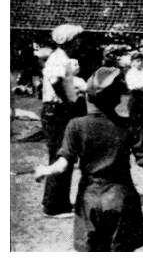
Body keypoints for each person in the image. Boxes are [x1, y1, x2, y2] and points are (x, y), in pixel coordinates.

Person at [34, 66, 143, 251]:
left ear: (89, 96)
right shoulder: (128, 125)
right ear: (116, 98)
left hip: (89, 199)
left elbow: (62, 165)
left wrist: (45, 170)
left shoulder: (76, 126)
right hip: (121, 197)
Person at [41, 24, 83, 217]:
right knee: (61, 154)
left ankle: (58, 201)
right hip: (56, 111)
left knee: (65, 154)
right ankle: (54, 206)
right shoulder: (59, 58)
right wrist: (67, 102)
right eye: (77, 39)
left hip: (58, 110)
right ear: (70, 41)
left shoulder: (62, 58)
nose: (79, 42)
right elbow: (56, 81)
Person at [125, 52, 143, 146]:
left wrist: (140, 86)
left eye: (141, 61)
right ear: (133, 62)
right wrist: (142, 86)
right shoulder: (130, 73)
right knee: (134, 122)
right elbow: (132, 86)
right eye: (137, 61)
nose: (140, 63)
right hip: (134, 98)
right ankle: (134, 143)